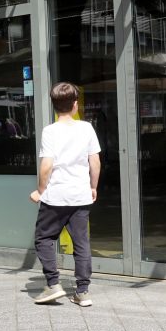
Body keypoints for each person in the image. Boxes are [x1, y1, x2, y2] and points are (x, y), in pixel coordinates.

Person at [29, 82, 100, 307]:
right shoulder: (87, 128)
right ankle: (83, 292)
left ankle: (53, 284)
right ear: (75, 105)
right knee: (82, 243)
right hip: (80, 194)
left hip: (56, 195)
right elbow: (95, 162)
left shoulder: (50, 131)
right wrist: (93, 186)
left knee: (44, 238)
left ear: (54, 106)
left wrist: (40, 191)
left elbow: (46, 167)